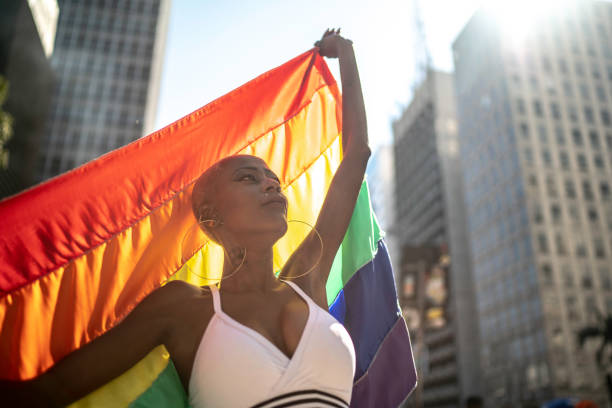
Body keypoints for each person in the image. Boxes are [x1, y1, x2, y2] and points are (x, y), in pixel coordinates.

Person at [4, 28, 370, 407]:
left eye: (274, 181)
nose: (271, 186)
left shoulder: (307, 281)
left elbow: (356, 154)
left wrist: (345, 52)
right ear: (210, 219)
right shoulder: (183, 307)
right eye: (249, 178)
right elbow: (54, 391)